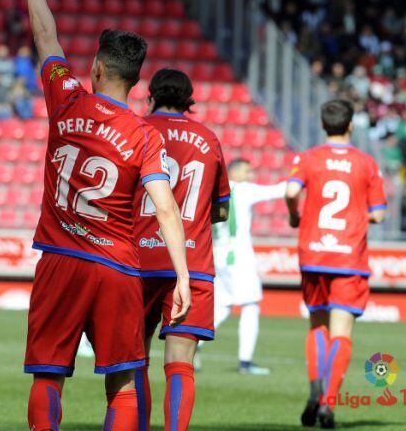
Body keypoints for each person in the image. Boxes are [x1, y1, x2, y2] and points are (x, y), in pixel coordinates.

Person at [18, 0, 191, 431]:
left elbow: (45, 36)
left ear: (95, 69)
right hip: (117, 267)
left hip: (61, 259)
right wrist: (181, 276)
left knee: (49, 377)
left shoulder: (66, 98)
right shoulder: (144, 134)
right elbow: (165, 210)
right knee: (123, 381)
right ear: (137, 83)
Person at [134, 69, 230, 431]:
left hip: (138, 260)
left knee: (134, 359)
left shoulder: (136, 128)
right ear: (189, 100)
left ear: (151, 95)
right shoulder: (209, 138)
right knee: (180, 362)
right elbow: (221, 209)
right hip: (193, 262)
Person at [285, 99, 386, 428]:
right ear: (351, 125)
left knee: (317, 325)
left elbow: (290, 190)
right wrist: (362, 213)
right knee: (342, 331)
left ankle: (314, 387)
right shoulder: (366, 163)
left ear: (323, 124)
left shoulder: (309, 157)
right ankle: (328, 402)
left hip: (313, 254)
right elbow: (380, 213)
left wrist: (294, 215)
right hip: (349, 258)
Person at [207, 159, 287, 375]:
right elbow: (281, 190)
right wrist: (302, 173)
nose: (251, 174)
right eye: (247, 170)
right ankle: (245, 362)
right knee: (250, 305)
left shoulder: (214, 191)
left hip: (219, 256)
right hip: (238, 256)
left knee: (223, 306)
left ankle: (192, 344)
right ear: (234, 172)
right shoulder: (243, 190)